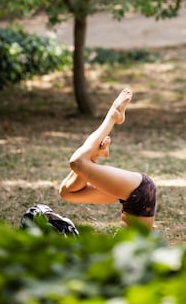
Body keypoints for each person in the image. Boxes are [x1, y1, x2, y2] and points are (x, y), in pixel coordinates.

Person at [58, 87, 157, 230]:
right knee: (78, 163)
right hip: (141, 191)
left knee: (67, 192)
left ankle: (93, 156)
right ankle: (113, 116)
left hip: (135, 196)